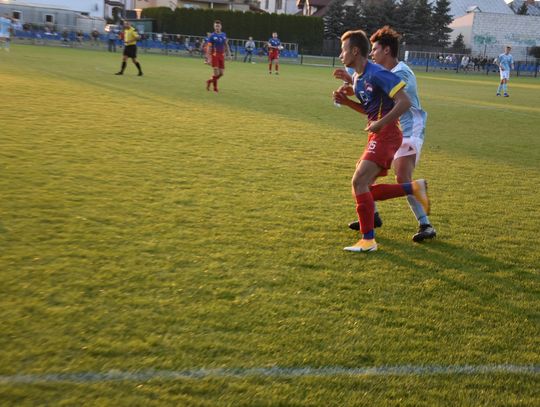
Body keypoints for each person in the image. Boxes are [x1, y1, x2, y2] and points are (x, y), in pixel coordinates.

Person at [332, 29, 430, 252]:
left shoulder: (379, 73)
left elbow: (404, 102)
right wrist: (347, 102)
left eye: (343, 50)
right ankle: (411, 190)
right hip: (380, 133)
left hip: (392, 133)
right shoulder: (360, 77)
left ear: (355, 51)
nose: (340, 55)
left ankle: (369, 240)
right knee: (362, 185)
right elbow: (369, 109)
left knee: (360, 182)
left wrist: (380, 123)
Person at [205, 20, 231, 92]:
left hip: (221, 55)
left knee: (221, 73)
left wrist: (229, 54)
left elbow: (226, 45)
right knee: (216, 72)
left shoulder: (224, 34)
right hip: (214, 55)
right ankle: (215, 88)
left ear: (221, 26)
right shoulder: (212, 36)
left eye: (218, 26)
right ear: (214, 27)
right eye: (216, 26)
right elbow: (209, 47)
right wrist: (208, 58)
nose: (217, 27)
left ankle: (209, 81)